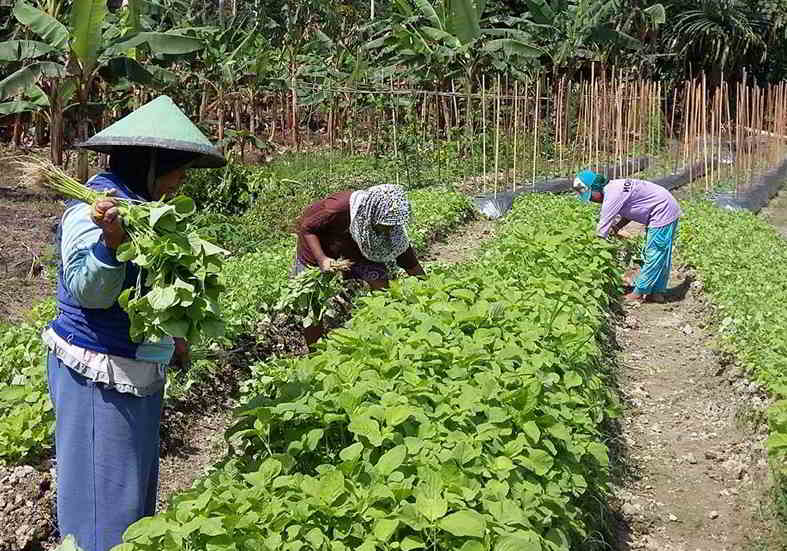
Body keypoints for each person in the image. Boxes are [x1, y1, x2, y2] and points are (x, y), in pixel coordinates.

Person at [43, 96, 225, 551]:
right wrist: (110, 242)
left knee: (131, 495)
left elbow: (154, 286)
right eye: (176, 169)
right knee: (101, 504)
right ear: (149, 163)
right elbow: (89, 291)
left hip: (139, 369)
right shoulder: (94, 211)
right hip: (98, 374)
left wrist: (177, 337)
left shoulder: (143, 208)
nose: (182, 179)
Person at [294, 183, 426, 344]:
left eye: (391, 226)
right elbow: (306, 227)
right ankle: (315, 353)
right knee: (311, 303)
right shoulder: (337, 209)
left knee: (382, 286)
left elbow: (410, 263)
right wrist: (322, 259)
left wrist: (428, 294)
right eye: (384, 227)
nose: (388, 231)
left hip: (357, 247)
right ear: (371, 215)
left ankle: (386, 336)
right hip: (321, 244)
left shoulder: (389, 230)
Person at [573, 169, 682, 303]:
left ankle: (639, 292)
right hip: (664, 205)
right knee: (658, 253)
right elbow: (630, 209)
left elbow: (601, 232)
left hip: (662, 210)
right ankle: (657, 292)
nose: (590, 200)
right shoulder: (614, 187)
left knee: (655, 252)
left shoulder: (612, 196)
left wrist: (590, 254)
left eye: (590, 196)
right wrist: (618, 227)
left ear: (595, 187)